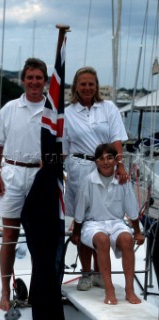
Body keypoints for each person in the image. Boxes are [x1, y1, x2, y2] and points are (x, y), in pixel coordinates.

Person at [62, 66, 129, 291]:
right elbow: (63, 148)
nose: (87, 88)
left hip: (106, 168)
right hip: (79, 170)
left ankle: (101, 272)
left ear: (97, 86)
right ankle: (86, 272)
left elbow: (117, 139)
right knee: (83, 222)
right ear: (76, 87)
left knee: (103, 220)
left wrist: (120, 165)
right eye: (83, 84)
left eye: (91, 84)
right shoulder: (67, 112)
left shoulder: (108, 107)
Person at [0, 58, 48, 312]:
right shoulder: (10, 108)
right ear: (23, 80)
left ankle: (39, 292)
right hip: (12, 174)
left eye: (39, 78)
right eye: (30, 77)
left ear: (45, 81)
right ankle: (5, 292)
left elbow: (64, 146)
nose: (34, 82)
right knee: (10, 236)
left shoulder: (53, 111)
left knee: (40, 239)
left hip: (41, 177)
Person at [72, 143, 145, 305]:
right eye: (101, 159)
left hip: (116, 222)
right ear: (96, 162)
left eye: (110, 158)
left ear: (115, 161)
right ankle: (109, 289)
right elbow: (80, 210)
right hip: (93, 223)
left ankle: (129, 290)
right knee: (102, 240)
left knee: (127, 239)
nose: (106, 162)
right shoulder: (88, 181)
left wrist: (138, 232)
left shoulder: (123, 180)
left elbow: (132, 209)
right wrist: (76, 232)